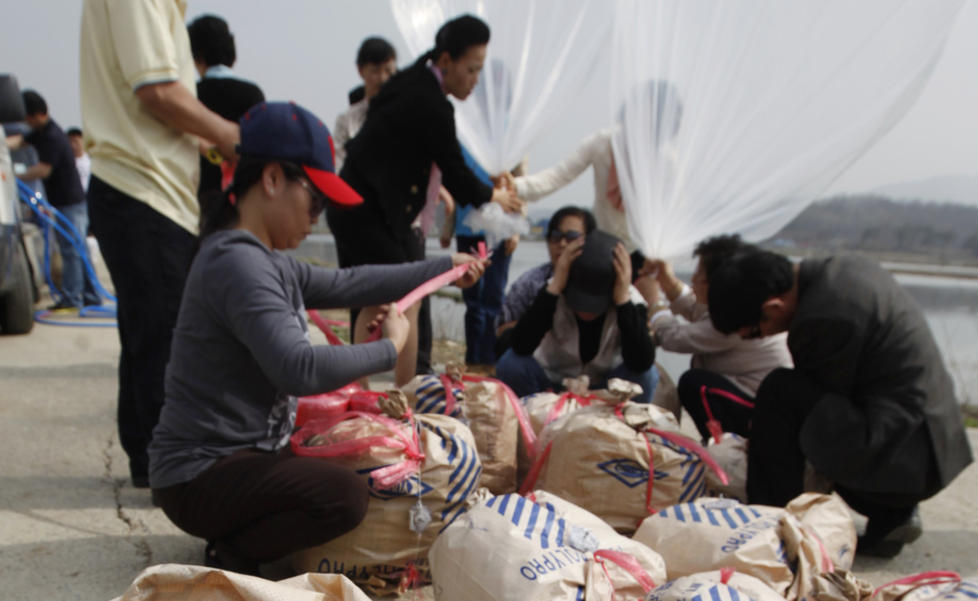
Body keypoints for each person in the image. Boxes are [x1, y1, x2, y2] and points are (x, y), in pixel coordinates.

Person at [149, 101, 487, 575]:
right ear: (271, 180)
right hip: (200, 473)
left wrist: (443, 269)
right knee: (343, 496)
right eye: (316, 200)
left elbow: (351, 283)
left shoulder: (270, 261)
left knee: (352, 461)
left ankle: (244, 540)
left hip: (245, 455)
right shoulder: (238, 263)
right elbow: (298, 368)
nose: (318, 217)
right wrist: (388, 348)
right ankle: (234, 555)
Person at [708, 250, 973, 558]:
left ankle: (772, 526)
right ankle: (891, 515)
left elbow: (807, 424)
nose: (762, 337)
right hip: (930, 448)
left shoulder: (822, 317)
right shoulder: (844, 268)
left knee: (780, 392)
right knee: (796, 402)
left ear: (773, 306)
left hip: (907, 462)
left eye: (755, 333)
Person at [80, 0, 241, 489]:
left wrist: (208, 145)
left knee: (148, 335)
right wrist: (235, 137)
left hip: (143, 190)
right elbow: (158, 92)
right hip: (144, 191)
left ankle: (149, 459)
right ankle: (171, 472)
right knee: (164, 339)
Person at [327, 14, 522, 387]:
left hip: (367, 209)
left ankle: (370, 392)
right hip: (366, 212)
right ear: (446, 61)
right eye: (471, 70)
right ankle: (402, 395)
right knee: (406, 297)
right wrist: (496, 195)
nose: (475, 81)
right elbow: (456, 172)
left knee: (381, 297)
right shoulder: (430, 101)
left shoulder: (414, 83)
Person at [495, 209, 658, 402]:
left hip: (607, 385)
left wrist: (623, 302)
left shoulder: (629, 299)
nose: (586, 311)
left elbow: (641, 362)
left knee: (647, 375)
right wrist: (555, 287)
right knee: (512, 364)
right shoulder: (553, 289)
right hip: (554, 380)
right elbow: (521, 345)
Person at [641, 234, 792, 441]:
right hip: (752, 395)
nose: (693, 279)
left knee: (695, 384)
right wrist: (667, 281)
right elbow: (698, 308)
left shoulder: (739, 319)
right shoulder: (739, 301)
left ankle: (724, 443)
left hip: (757, 406)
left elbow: (673, 337)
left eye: (699, 273)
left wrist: (654, 301)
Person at [503, 80, 681, 250]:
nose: (644, 123)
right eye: (641, 112)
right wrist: (514, 186)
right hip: (603, 244)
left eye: (653, 119)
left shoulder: (668, 161)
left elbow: (670, 216)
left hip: (645, 248)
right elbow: (559, 176)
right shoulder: (603, 143)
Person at [13, 90, 98, 310]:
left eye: (27, 117)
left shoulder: (52, 136)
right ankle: (91, 296)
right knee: (79, 250)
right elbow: (19, 140)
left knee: (72, 251)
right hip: (64, 203)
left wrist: (14, 174)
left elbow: (43, 170)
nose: (25, 122)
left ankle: (72, 298)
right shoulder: (39, 132)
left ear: (37, 114)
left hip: (70, 204)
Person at [187, 14, 265, 204]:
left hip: (197, 200)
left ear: (196, 55)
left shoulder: (189, 96)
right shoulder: (253, 94)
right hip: (242, 201)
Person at [333, 36, 397, 171]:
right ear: (360, 71)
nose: (383, 78)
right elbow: (337, 165)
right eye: (375, 71)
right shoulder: (347, 120)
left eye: (389, 71)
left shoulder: (407, 114)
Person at [66, 127, 90, 193]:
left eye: (76, 141)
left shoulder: (91, 159)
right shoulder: (65, 162)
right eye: (70, 142)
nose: (73, 146)